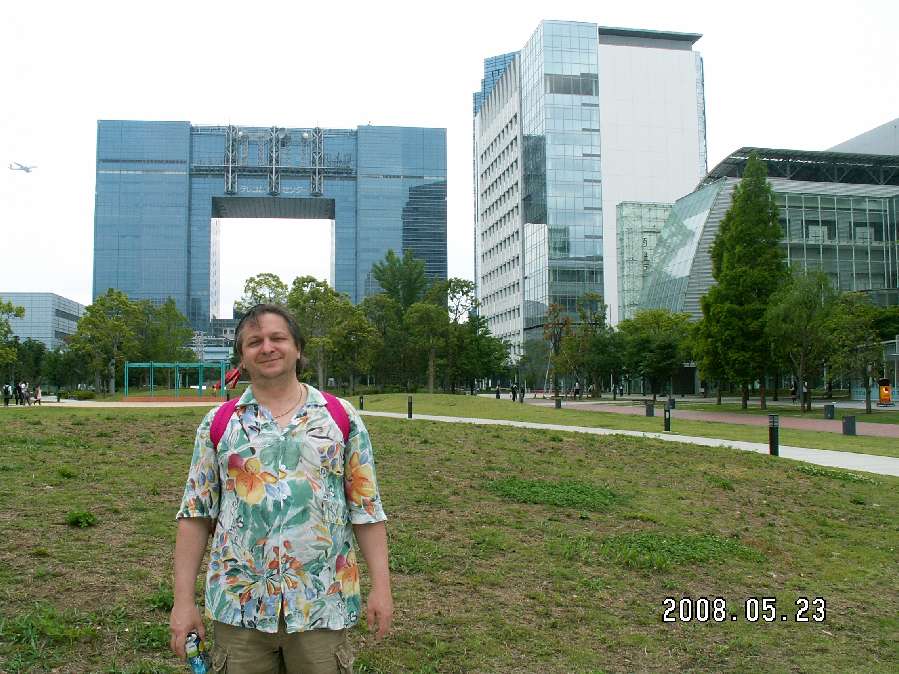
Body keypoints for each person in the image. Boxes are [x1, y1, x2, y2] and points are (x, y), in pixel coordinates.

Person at [170, 304, 392, 673]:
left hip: (322, 606)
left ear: (298, 348)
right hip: (239, 610)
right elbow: (195, 515)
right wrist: (182, 602)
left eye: (278, 338)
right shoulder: (219, 423)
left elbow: (366, 509)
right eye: (254, 342)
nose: (268, 347)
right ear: (242, 357)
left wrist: (381, 587)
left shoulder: (340, 417)